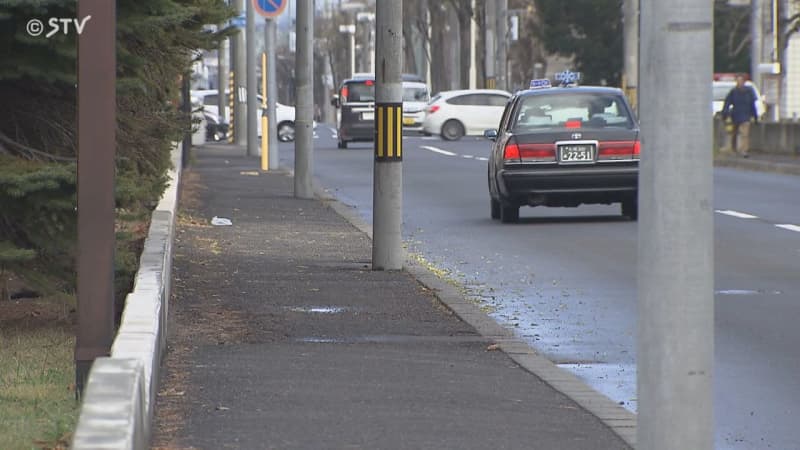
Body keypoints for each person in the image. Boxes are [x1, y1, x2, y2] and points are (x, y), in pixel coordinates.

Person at [721, 74, 759, 158]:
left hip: (746, 116)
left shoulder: (749, 92)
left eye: (740, 81)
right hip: (735, 116)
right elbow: (727, 103)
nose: (739, 83)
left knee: (744, 134)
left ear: (744, 82)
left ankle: (744, 150)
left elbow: (752, 105)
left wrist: (755, 116)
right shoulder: (733, 92)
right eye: (738, 81)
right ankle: (734, 149)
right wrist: (725, 113)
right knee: (734, 133)